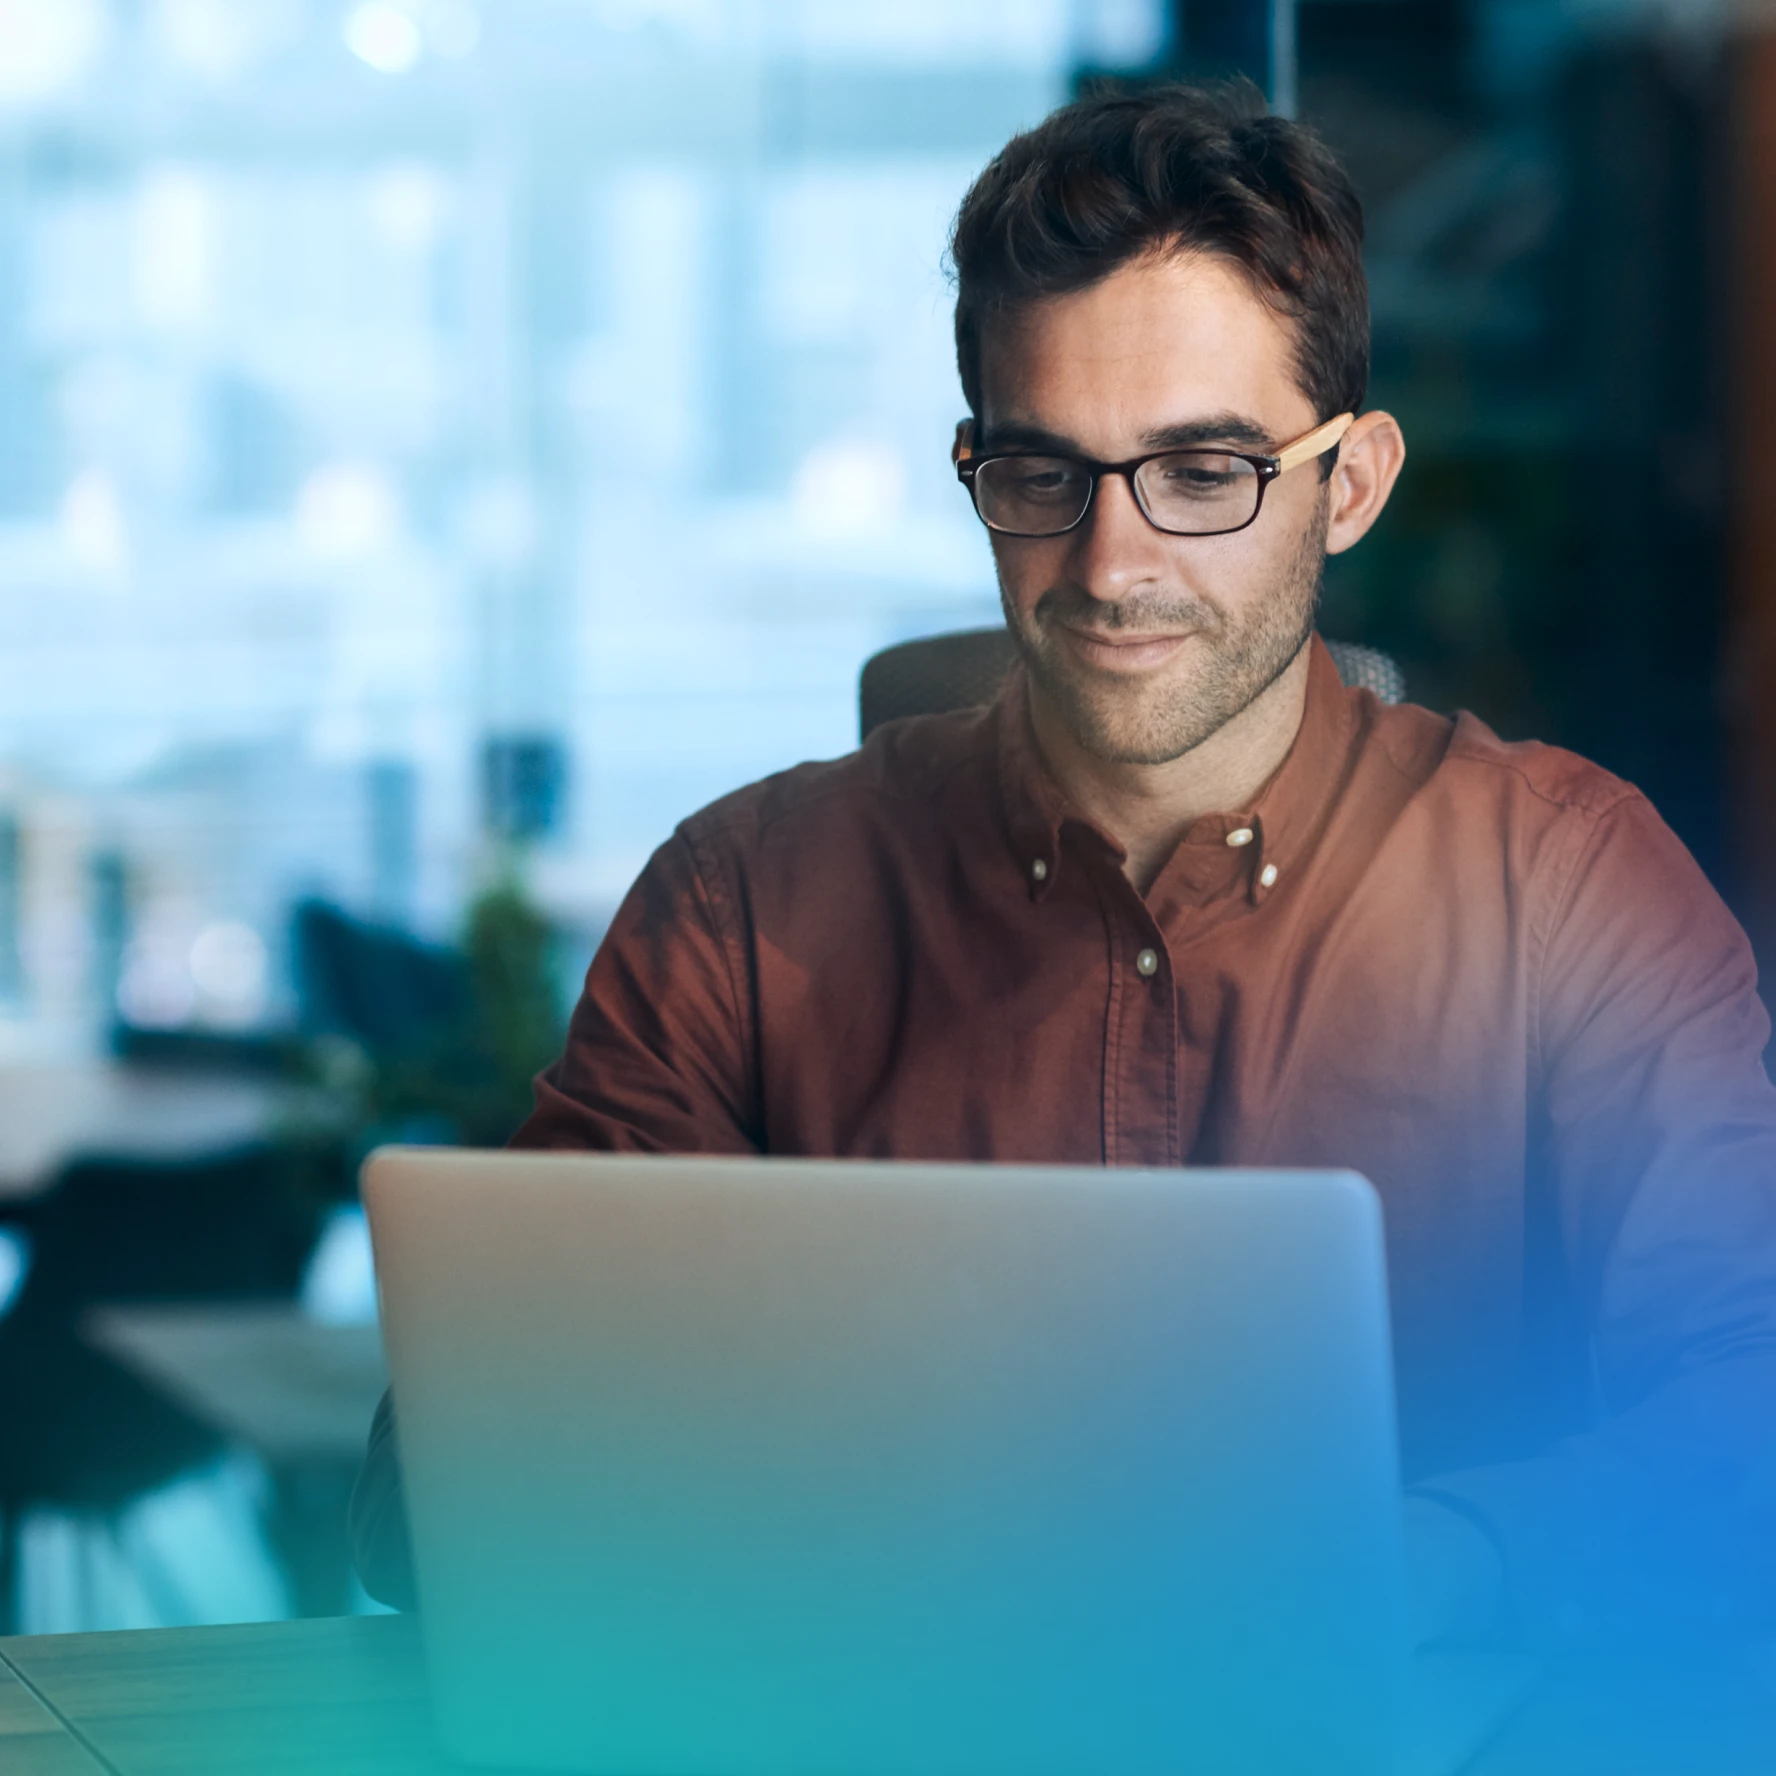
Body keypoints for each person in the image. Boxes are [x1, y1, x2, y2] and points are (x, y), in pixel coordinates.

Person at [353, 82, 1776, 1647]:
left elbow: (1742, 1400)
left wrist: (1456, 1565)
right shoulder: (744, 903)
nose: (1112, 566)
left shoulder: (1569, 891)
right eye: (1044, 476)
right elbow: (469, 1452)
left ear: (1350, 484)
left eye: (1205, 471)